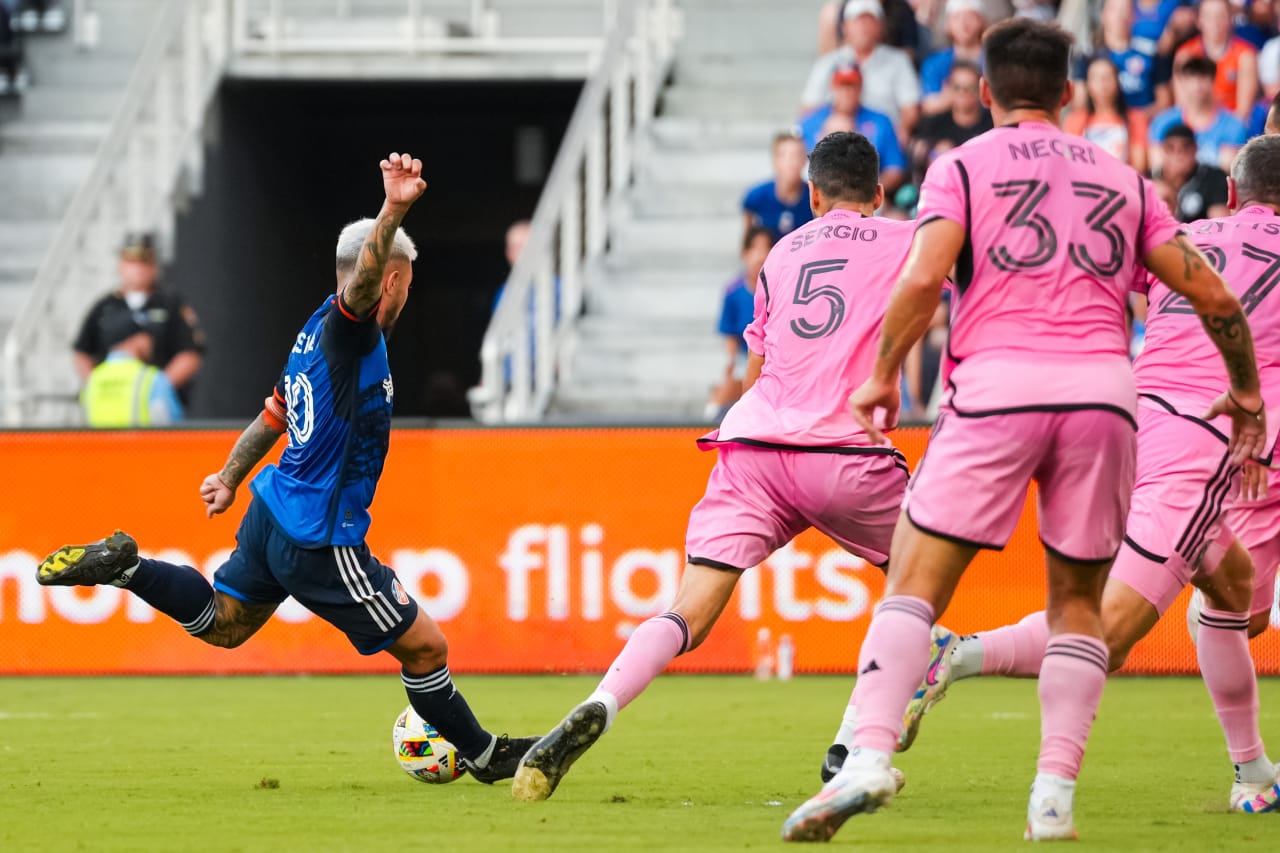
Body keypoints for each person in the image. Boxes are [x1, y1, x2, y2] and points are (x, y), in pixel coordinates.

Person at [781, 19, 1265, 843]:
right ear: (1071, 93)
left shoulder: (961, 166)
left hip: (998, 387)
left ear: (988, 93)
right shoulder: (1123, 176)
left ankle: (866, 755)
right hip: (1107, 400)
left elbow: (926, 274)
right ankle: (1052, 798)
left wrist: (883, 372)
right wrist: (1247, 395)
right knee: (1078, 605)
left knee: (915, 577)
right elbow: (1214, 297)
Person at [37, 153, 538, 785]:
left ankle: (129, 568)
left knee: (223, 624)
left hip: (269, 514)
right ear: (389, 279)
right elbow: (359, 292)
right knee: (426, 646)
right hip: (317, 534)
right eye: (405, 279)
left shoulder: (313, 331)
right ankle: (488, 757)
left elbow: (273, 414)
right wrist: (395, 209)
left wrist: (229, 477)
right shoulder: (349, 328)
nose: (407, 291)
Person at [511, 132, 918, 804]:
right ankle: (852, 744)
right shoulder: (905, 239)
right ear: (878, 193)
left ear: (812, 195)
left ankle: (600, 701)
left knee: (688, 609)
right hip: (846, 446)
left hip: (755, 442)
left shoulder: (782, 253)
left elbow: (756, 366)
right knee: (917, 583)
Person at [907, 134, 1280, 815]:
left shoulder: (1187, 238)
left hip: (1131, 421)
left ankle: (1254, 773)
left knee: (1232, 589)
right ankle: (956, 655)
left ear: (1230, 195)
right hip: (1196, 450)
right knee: (1104, 636)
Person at [73, 233, 205, 407]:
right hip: (112, 406)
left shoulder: (170, 304)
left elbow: (190, 354)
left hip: (157, 408)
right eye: (132, 261)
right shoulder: (104, 307)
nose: (138, 268)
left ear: (155, 265)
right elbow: (82, 351)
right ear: (121, 263)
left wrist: (158, 388)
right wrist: (97, 387)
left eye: (145, 261)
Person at [800, 0, 921, 138]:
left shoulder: (899, 61)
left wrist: (900, 133)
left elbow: (910, 109)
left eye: (869, 21)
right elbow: (808, 111)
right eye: (857, 21)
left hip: (882, 138)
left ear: (880, 26)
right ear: (845, 27)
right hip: (835, 139)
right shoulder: (828, 63)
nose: (863, 27)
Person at [799, 65, 906, 197]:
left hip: (868, 195)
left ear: (860, 88)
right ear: (833, 88)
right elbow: (798, 165)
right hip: (819, 195)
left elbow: (894, 169)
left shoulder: (881, 121)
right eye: (842, 87)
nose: (847, 92)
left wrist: (861, 191)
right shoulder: (810, 122)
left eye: (852, 86)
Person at [705, 226, 776, 421]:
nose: (761, 255)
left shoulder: (782, 289)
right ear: (744, 254)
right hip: (747, 361)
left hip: (776, 361)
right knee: (725, 390)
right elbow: (730, 341)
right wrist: (730, 366)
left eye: (767, 248)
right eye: (755, 248)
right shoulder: (733, 292)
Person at [80, 305, 183, 427]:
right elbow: (170, 429)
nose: (151, 341)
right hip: (141, 446)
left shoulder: (92, 380)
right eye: (147, 335)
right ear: (133, 339)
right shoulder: (152, 379)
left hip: (99, 446)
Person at [1150, 56, 1250, 173]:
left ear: (1213, 80)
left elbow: (1226, 171)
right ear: (1181, 81)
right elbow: (1157, 169)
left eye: (1203, 76)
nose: (1197, 83)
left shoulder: (1233, 125)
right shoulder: (1162, 122)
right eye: (1191, 76)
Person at [1175, 0, 1259, 121]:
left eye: (1221, 16)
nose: (1215, 22)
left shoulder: (1245, 55)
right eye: (1208, 16)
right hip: (1194, 127)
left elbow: (1243, 111)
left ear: (1230, 19)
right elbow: (1182, 106)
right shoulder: (1185, 55)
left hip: (1232, 129)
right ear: (1199, 21)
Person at [1064, 54, 1150, 171]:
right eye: (1096, 78)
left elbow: (1139, 165)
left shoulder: (1136, 119)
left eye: (1107, 77)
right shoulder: (1075, 120)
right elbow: (1068, 163)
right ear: (1088, 84)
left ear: (1118, 82)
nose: (1102, 83)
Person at [919, 0, 986, 115]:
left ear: (982, 21)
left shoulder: (995, 60)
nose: (964, 23)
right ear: (948, 24)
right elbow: (928, 105)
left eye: (970, 16)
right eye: (957, 17)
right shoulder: (934, 63)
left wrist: (951, 95)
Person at [741, 133, 812, 239]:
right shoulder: (756, 196)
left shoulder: (813, 197)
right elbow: (747, 243)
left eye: (798, 155)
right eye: (785, 155)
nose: (792, 162)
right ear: (775, 160)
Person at [1158, 122, 1231, 222]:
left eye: (1186, 147)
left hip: (1198, 236)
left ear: (1195, 148)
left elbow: (1220, 224)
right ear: (1164, 150)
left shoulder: (1214, 178)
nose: (1179, 155)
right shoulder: (1152, 180)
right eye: (1171, 148)